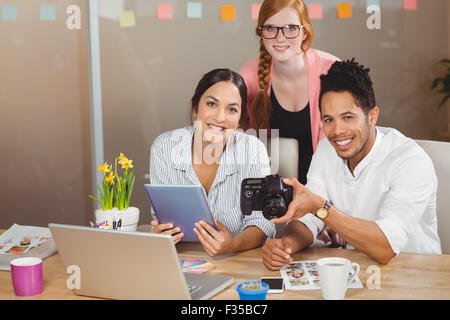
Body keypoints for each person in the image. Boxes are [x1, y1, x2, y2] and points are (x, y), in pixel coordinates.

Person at [261, 59, 442, 269]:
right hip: (358, 270)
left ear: (372, 116)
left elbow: (385, 248)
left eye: (348, 117)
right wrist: (285, 246)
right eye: (328, 120)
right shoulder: (326, 149)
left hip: (416, 276)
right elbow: (310, 220)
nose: (337, 131)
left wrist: (321, 207)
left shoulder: (411, 160)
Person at [149, 68, 275, 256]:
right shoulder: (164, 147)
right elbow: (162, 218)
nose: (220, 117)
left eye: (232, 109)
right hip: (183, 260)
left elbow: (263, 222)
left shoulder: (252, 150)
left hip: (239, 260)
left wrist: (233, 243)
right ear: (194, 108)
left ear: (240, 120)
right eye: (211, 104)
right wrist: (163, 232)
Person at [240, 0, 339, 184]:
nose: (280, 38)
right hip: (272, 196)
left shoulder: (333, 70)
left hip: (328, 193)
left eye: (291, 28)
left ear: (305, 32)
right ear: (260, 33)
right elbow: (236, 138)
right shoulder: (249, 75)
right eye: (270, 28)